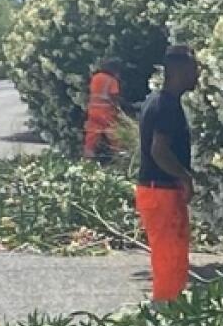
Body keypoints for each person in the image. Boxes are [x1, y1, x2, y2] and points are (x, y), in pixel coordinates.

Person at [135, 46, 199, 303]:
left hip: (156, 190)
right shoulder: (166, 107)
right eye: (195, 69)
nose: (198, 76)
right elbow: (159, 151)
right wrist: (185, 177)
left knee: (173, 255)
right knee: (169, 256)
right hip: (161, 191)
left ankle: (171, 306)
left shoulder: (156, 101)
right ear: (180, 71)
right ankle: (165, 309)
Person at [84, 59, 125, 160]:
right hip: (106, 111)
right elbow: (113, 96)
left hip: (93, 110)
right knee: (113, 132)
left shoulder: (95, 78)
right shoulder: (112, 80)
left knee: (92, 133)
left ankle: (88, 154)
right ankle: (119, 154)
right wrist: (119, 108)